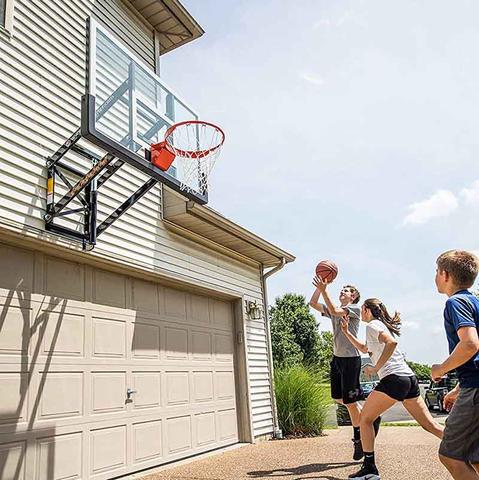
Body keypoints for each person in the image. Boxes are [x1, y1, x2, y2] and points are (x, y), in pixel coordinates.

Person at [341, 298, 444, 480]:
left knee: (365, 418)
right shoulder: (378, 326)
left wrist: (375, 368)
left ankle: (370, 469)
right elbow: (365, 348)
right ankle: (467, 447)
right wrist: (347, 332)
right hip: (408, 379)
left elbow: (391, 343)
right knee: (430, 425)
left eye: (361, 309)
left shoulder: (373, 325)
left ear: (365, 309)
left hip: (394, 379)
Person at [309, 277, 379, 461]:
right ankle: (371, 416)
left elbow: (333, 309)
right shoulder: (335, 310)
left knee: (349, 403)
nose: (342, 291)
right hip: (337, 359)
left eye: (346, 290)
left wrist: (325, 289)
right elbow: (313, 303)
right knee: (339, 398)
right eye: (341, 289)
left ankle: (358, 439)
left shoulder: (354, 309)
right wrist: (319, 288)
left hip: (350, 360)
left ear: (353, 296)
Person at [432, 250, 479, 480]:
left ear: (445, 274)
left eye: (436, 271)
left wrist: (440, 369)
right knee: (475, 457)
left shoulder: (456, 302)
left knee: (451, 456)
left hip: (475, 389)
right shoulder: (475, 302)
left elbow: (470, 344)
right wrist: (458, 389)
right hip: (471, 385)